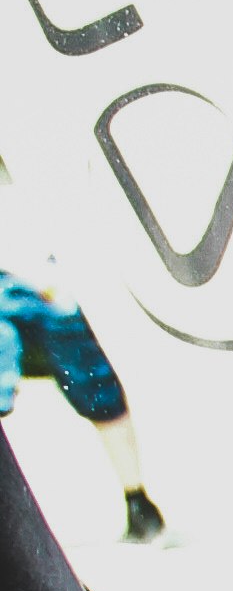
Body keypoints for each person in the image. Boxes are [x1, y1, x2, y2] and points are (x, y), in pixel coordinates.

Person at [0, 167, 163, 542]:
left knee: (92, 380)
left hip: (46, 269)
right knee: (88, 378)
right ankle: (138, 501)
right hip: (40, 270)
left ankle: (138, 501)